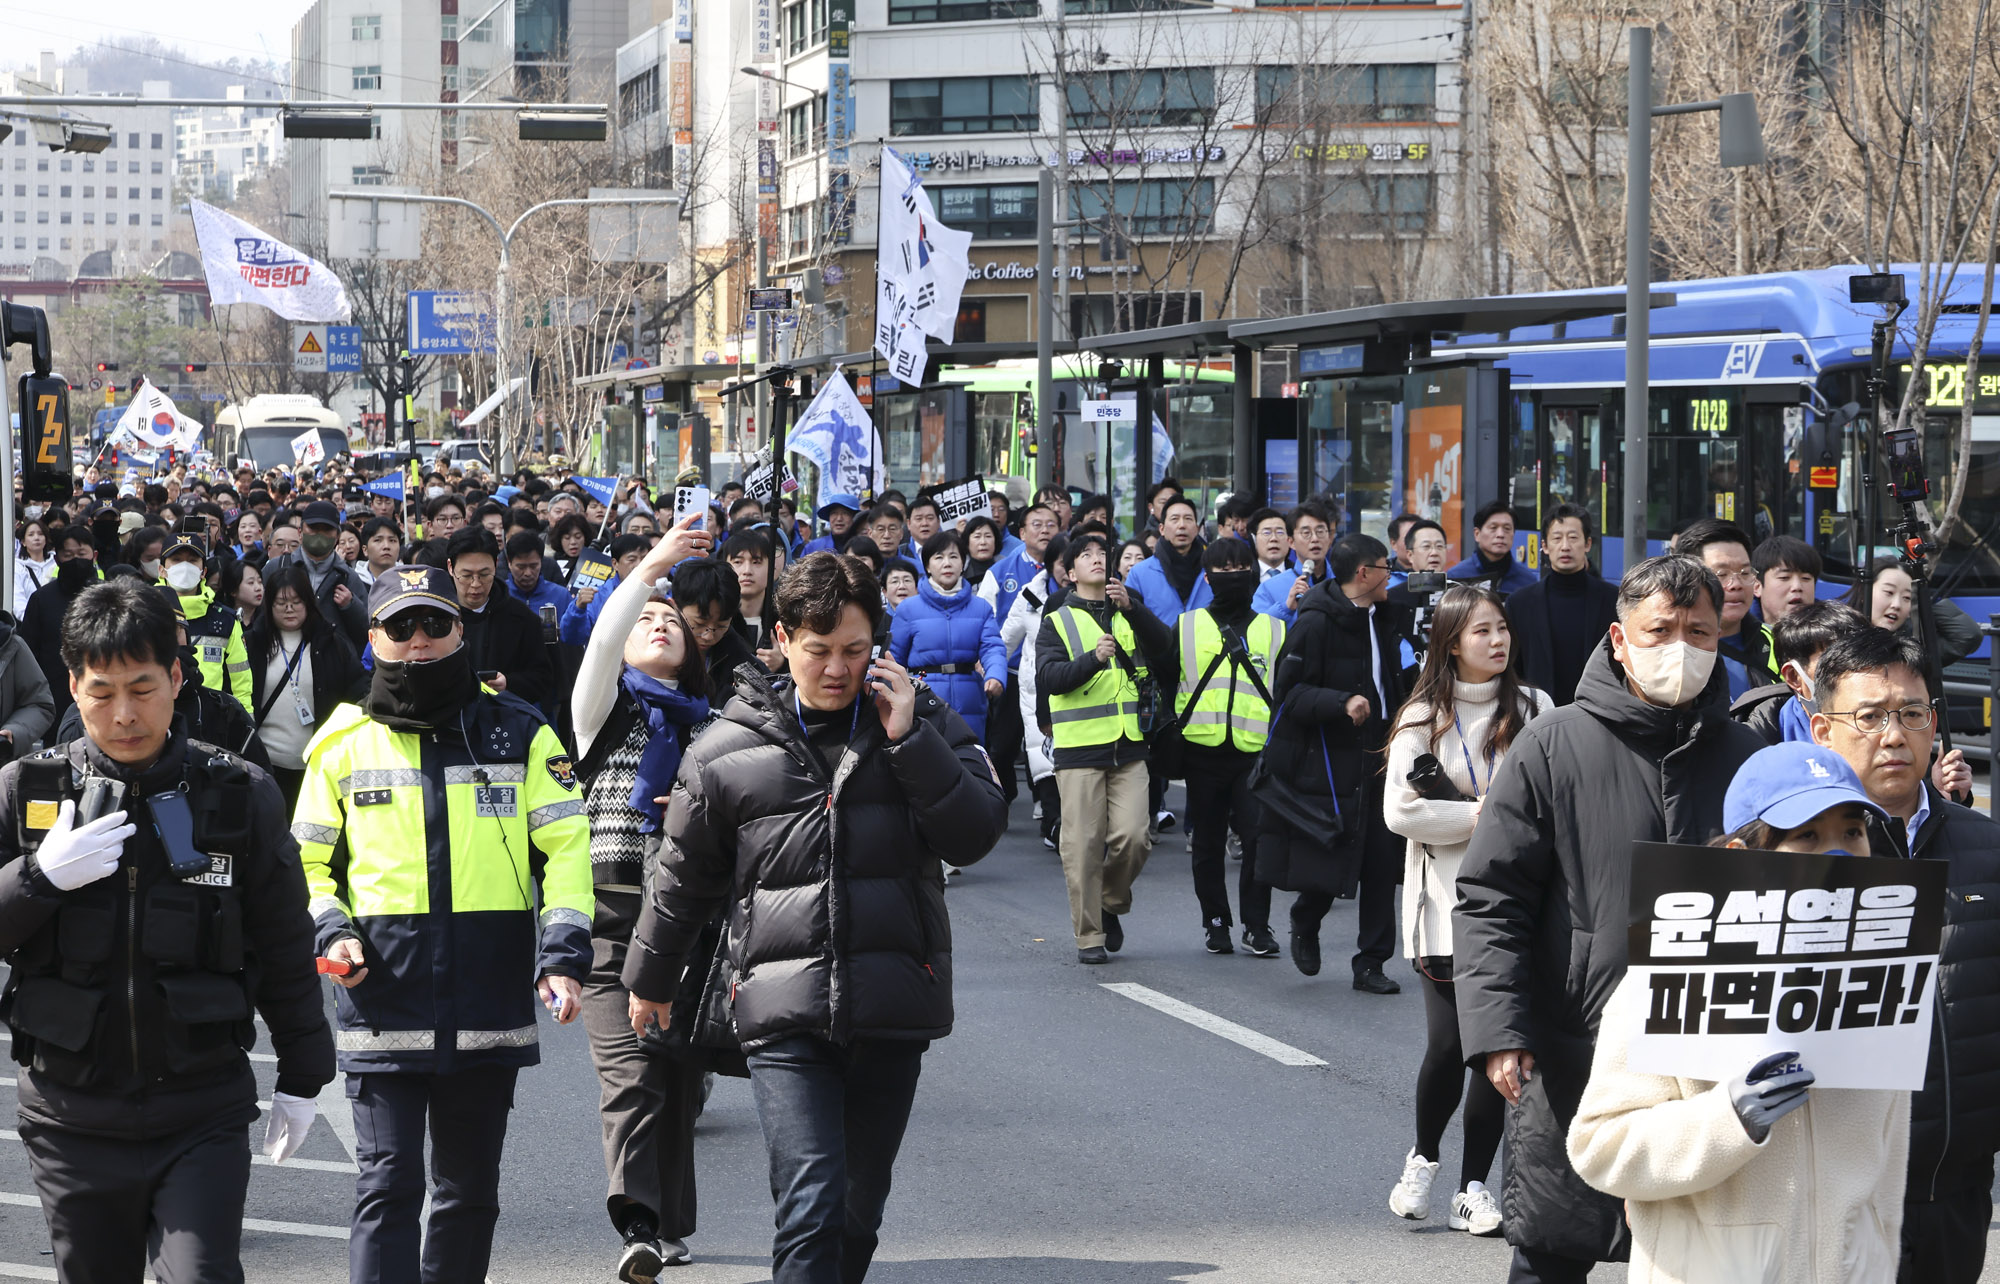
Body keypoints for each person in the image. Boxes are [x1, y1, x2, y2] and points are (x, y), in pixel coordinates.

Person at [623, 552, 1008, 1284]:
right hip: (782, 1008)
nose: (837, 668)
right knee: (812, 1201)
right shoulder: (729, 748)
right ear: (783, 638)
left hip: (894, 1000)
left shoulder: (921, 718)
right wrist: (650, 979)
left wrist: (908, 742)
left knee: (859, 1208)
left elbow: (976, 832)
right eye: (819, 650)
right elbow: (681, 878)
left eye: (855, 651)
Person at [0, 577, 333, 1282]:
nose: (124, 714)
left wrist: (306, 1074)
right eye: (101, 691)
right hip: (70, 1117)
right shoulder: (25, 790)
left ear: (178, 677)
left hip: (200, 1107)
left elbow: (280, 940)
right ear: (72, 685)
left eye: (143, 687)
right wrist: (37, 880)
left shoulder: (239, 794)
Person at [1453, 554, 1765, 1282]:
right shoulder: (1553, 745)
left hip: (1707, 1067)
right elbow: (1492, 898)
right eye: (1660, 631)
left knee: (1696, 1258)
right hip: (1576, 1054)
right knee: (1554, 1253)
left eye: (1700, 632)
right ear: (1620, 640)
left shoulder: (1749, 757)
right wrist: (1501, 1034)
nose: (1680, 649)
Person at [293, 563, 594, 1284]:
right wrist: (333, 931)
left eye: (435, 623)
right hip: (380, 1002)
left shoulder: (520, 732)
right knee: (388, 1187)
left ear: (462, 629)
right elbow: (301, 867)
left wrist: (561, 954)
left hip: (486, 1003)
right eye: (400, 626)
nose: (419, 640)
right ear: (374, 639)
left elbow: (567, 849)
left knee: (466, 1196)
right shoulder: (341, 744)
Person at [1566, 741, 1908, 1284]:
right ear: (1739, 853)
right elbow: (1599, 1147)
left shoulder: (1887, 976)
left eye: (1852, 832)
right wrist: (1728, 1118)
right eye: (1807, 836)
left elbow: (1886, 1174)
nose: (1838, 854)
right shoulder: (1664, 976)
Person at [1800, 628, 2000, 1284]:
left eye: (1911, 715)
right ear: (1821, 729)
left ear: (1934, 723)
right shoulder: (1782, 859)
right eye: (1870, 717)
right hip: (1830, 1195)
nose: (1894, 735)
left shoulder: (1986, 847)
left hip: (1956, 1186)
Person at [571, 520, 716, 1278]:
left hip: (686, 929)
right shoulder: (599, 717)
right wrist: (653, 569)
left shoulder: (715, 731)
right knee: (629, 1080)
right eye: (645, 620)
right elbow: (601, 644)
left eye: (673, 622)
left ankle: (671, 1221)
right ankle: (639, 1226)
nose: (658, 624)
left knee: (676, 1080)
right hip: (610, 925)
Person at [1382, 586, 1550, 1236]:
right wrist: (1480, 815)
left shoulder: (1538, 709)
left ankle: (1471, 1187)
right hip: (1441, 908)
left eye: (1502, 628)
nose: (1498, 640)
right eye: (1482, 631)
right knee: (1449, 1046)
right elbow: (1402, 812)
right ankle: (1423, 1157)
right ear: (1452, 642)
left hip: (1515, 908)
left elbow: (1552, 800)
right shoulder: (1423, 717)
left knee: (1496, 1049)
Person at [1256, 533, 1409, 994]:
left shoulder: (1386, 616)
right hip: (1333, 755)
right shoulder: (1316, 623)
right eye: (1386, 566)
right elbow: (1290, 693)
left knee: (1383, 861)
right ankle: (1307, 917)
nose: (1392, 575)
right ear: (1363, 573)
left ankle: (1371, 962)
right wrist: (1340, 701)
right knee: (1336, 852)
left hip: (1384, 750)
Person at [1037, 533, 1173, 963]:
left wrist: (1134, 609)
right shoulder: (1056, 619)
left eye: (1102, 554)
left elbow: (1167, 653)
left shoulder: (1127, 609)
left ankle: (1110, 902)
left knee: (1134, 836)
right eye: (1086, 555)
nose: (1096, 560)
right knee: (1082, 844)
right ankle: (1089, 936)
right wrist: (1092, 660)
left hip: (1129, 745)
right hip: (1079, 750)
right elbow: (1050, 679)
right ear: (1070, 572)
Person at [1170, 538, 1284, 956]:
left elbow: (1285, 693)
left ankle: (1257, 925)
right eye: (1224, 568)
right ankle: (1215, 921)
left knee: (1257, 839)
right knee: (1208, 841)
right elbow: (1166, 683)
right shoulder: (1185, 626)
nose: (1234, 575)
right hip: (1201, 750)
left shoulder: (1274, 629)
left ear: (1254, 574)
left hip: (1254, 754)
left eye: (1242, 567)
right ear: (1207, 578)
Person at [244, 562, 366, 810]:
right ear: (269, 605)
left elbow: (359, 688)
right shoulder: (252, 644)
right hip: (266, 765)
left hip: (318, 766)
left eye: (297, 602)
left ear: (309, 603)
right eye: (281, 603)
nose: (289, 609)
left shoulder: (331, 643)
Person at [891, 530, 1006, 742]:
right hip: (923, 699)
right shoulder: (908, 609)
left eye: (954, 557)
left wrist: (996, 675)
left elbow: (993, 647)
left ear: (963, 563)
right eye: (939, 557)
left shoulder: (980, 607)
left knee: (971, 764)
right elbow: (894, 658)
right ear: (927, 566)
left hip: (970, 698)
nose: (947, 563)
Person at [1505, 504, 1619, 705]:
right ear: (1545, 546)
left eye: (1573, 537)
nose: (1565, 546)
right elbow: (1513, 668)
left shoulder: (1613, 599)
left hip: (1598, 711)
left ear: (1587, 544)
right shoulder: (1520, 603)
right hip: (1539, 714)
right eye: (1557, 538)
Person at [1005, 533, 1071, 851]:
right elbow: (1007, 637)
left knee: (1071, 755)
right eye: (1060, 562)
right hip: (1035, 686)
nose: (1065, 569)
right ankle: (1053, 820)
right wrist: (991, 669)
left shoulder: (1092, 596)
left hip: (1076, 685)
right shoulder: (1030, 595)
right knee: (1041, 753)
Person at [1729, 600, 1868, 745]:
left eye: (1861, 660)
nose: (1852, 672)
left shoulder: (1890, 722)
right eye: (1835, 663)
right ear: (1793, 676)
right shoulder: (1753, 739)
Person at [448, 527, 556, 709]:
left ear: (496, 565)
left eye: (484, 574)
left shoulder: (522, 618)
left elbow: (542, 677)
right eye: (466, 576)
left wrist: (509, 684)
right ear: (451, 568)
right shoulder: (436, 617)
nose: (476, 584)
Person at [1673, 519, 1776, 699]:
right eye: (1721, 574)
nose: (1736, 584)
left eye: (1745, 573)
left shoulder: (1778, 643)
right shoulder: (1669, 650)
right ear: (1686, 579)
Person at [159, 530, 254, 715]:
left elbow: (241, 682)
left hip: (210, 722)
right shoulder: (143, 613)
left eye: (192, 560)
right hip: (157, 715)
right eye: (177, 560)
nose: (184, 567)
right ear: (161, 570)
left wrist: (246, 724)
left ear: (203, 572)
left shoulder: (225, 620)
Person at [1842, 555, 1982, 669]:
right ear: (1863, 592)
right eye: (1889, 592)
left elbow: (1968, 635)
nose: (1897, 605)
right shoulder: (1835, 635)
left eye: (1907, 598)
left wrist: (1923, 606)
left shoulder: (1911, 647)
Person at [262, 501, 369, 648]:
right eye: (313, 528)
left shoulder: (349, 577)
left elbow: (365, 631)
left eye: (327, 529)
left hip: (332, 663)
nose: (320, 534)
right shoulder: (276, 568)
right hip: (281, 658)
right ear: (300, 532)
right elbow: (260, 618)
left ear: (337, 535)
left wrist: (350, 605)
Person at [670, 557, 766, 692]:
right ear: (673, 607)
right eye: (699, 623)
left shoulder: (747, 666)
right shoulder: (651, 656)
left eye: (721, 626)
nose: (709, 636)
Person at [1123, 494, 1212, 629]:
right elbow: (1128, 621)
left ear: (1197, 529)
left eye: (1188, 519)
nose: (1182, 525)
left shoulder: (1212, 570)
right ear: (1162, 529)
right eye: (1174, 519)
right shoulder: (1140, 573)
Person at [1252, 501, 1335, 625]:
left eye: (1320, 531)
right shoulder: (1269, 588)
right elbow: (1255, 632)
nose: (1315, 539)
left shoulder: (1344, 581)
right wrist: (1286, 608)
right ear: (1291, 542)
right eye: (1306, 533)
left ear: (1329, 538)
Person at [1446, 501, 1536, 595]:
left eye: (1507, 528)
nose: (1500, 534)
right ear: (1477, 534)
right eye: (1493, 528)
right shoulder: (1456, 577)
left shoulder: (1528, 581)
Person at [1751, 534, 1821, 627]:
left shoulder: (1833, 635)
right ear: (1757, 587)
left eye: (1806, 578)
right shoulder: (1736, 631)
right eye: (1784, 577)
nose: (1797, 587)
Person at [14, 516, 54, 619]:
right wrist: (30, 620)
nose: (36, 538)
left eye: (40, 534)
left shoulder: (56, 563)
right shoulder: (18, 567)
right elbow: (17, 599)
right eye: (31, 535)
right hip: (29, 623)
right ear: (23, 541)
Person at [1249, 507, 1293, 585]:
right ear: (1254, 539)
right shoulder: (1246, 576)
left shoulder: (1300, 574)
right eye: (1266, 533)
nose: (1274, 538)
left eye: (1280, 532)